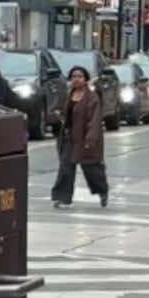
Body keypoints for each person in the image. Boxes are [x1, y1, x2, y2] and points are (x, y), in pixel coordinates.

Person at [52, 66, 109, 208]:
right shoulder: (68, 95)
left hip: (86, 139)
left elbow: (94, 120)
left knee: (92, 169)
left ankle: (102, 191)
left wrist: (90, 139)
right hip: (69, 138)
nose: (76, 79)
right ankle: (62, 197)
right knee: (65, 167)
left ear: (85, 79)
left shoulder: (92, 97)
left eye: (80, 76)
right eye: (74, 77)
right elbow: (65, 113)